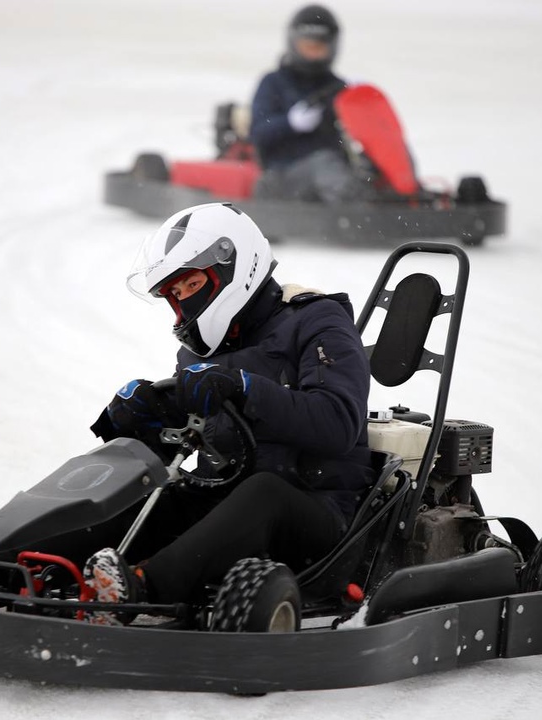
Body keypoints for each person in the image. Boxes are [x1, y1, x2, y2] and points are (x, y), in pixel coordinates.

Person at [83, 201, 372, 624]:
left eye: (190, 285)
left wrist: (245, 387)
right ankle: (6, 561)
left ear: (232, 266)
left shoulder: (318, 321)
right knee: (160, 492)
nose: (183, 305)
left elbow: (338, 424)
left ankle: (143, 589)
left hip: (318, 515)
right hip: (228, 500)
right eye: (174, 295)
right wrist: (139, 419)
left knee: (263, 491)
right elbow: (187, 440)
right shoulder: (201, 353)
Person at [249, 5, 367, 204]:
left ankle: (400, 200)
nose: (313, 55)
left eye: (319, 49)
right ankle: (361, 213)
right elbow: (258, 134)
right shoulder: (273, 83)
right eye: (308, 48)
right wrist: (290, 124)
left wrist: (361, 102)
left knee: (349, 165)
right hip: (280, 178)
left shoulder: (338, 88)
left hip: (330, 178)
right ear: (294, 44)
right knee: (323, 163)